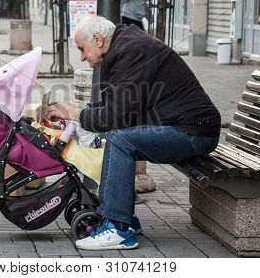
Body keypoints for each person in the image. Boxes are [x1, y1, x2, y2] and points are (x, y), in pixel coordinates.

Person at [46, 16, 221, 250]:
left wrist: (77, 115)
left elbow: (116, 118)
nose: (81, 57)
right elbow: (119, 106)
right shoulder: (124, 47)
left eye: (81, 49)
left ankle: (119, 228)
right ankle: (122, 217)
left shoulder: (132, 51)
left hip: (194, 132)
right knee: (119, 138)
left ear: (97, 40)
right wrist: (80, 110)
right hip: (182, 126)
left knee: (120, 141)